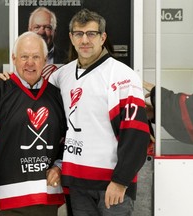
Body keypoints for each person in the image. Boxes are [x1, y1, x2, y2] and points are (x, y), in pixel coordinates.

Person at [48, 9, 150, 216]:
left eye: (91, 34)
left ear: (103, 37)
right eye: (79, 34)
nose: (85, 40)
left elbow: (137, 135)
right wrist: (2, 81)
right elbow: (31, 94)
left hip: (112, 184)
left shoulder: (123, 76)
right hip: (76, 183)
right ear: (71, 38)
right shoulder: (61, 76)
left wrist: (121, 181)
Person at [0, 31, 67, 216]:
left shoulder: (56, 95)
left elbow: (67, 140)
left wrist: (59, 166)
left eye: (36, 57)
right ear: (14, 58)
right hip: (5, 202)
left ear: (45, 60)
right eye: (24, 57)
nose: (30, 63)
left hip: (45, 201)